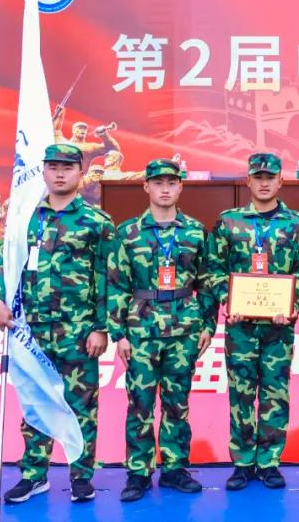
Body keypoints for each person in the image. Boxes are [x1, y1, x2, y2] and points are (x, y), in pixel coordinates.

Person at [0, 144, 116, 504]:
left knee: (81, 406)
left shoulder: (97, 222)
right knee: (35, 402)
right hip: (30, 329)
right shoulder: (26, 217)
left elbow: (108, 278)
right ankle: (34, 475)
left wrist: (101, 327)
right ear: (43, 171)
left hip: (78, 331)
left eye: (68, 167)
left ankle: (81, 477)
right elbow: (7, 261)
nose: (60, 173)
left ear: (80, 173)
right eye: (53, 166)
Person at [108, 158, 216, 502]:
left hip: (184, 327)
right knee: (139, 402)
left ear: (180, 186)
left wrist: (208, 325)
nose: (165, 189)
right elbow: (116, 284)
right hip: (141, 327)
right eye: (158, 183)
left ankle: (174, 468)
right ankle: (138, 472)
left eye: (171, 183)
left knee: (177, 402)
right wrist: (119, 333)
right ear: (146, 186)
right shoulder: (128, 232)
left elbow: (207, 282)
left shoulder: (195, 231)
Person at [207, 153, 299, 491]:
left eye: (270, 177)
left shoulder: (297, 224)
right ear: (248, 180)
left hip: (279, 326)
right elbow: (213, 268)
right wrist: (228, 299)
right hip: (240, 326)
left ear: (281, 181)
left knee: (275, 393)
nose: (264, 183)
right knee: (240, 393)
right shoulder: (228, 222)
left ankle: (268, 462)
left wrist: (292, 302)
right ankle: (242, 463)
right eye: (258, 177)